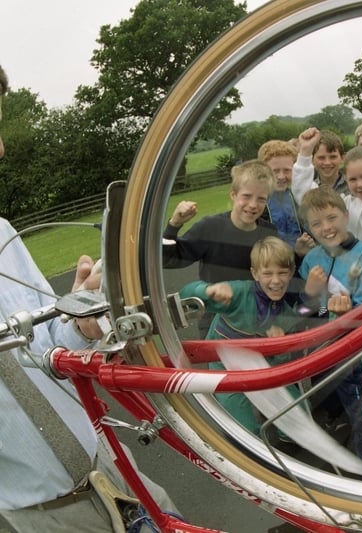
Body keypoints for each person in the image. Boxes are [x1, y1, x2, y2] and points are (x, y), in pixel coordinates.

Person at [0, 62, 176, 531]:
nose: (0, 148)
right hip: (43, 515)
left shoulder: (1, 233)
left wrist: (78, 321)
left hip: (112, 467)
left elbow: (41, 344)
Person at [297, 187, 362, 482]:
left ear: (346, 216)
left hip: (360, 358)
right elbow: (308, 314)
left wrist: (348, 312)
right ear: (308, 229)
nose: (326, 227)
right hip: (329, 353)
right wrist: (311, 296)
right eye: (316, 223)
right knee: (352, 415)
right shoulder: (311, 260)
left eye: (332, 217)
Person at [179, 236, 313, 435]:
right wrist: (207, 289)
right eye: (267, 273)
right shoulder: (237, 293)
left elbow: (282, 363)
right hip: (227, 371)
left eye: (282, 273)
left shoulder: (286, 313)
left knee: (302, 427)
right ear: (255, 274)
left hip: (261, 369)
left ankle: (280, 432)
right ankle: (252, 434)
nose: (276, 280)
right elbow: (186, 295)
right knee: (244, 434)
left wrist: (278, 346)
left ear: (291, 272)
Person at [162, 159, 279, 334]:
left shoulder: (269, 233)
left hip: (256, 320)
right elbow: (169, 259)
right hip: (215, 322)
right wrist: (174, 224)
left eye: (261, 199)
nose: (253, 205)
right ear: (233, 194)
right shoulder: (210, 227)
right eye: (246, 196)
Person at [292, 139, 362, 257]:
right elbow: (305, 194)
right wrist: (305, 152)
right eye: (353, 179)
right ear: (346, 179)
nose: (360, 184)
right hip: (360, 272)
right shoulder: (345, 205)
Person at [257, 140, 305, 249]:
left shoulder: (298, 197)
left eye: (287, 170)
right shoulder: (258, 203)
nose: (281, 176)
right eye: (275, 171)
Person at [292, 128, 348, 195]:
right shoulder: (309, 187)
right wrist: (305, 149)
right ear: (312, 160)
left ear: (342, 158)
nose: (327, 162)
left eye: (333, 157)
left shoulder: (352, 186)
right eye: (321, 158)